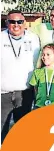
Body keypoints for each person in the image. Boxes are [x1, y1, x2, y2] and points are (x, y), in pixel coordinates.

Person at [1, 10, 41, 143]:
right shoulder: (1, 38)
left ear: (24, 23)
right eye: (12, 21)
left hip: (25, 92)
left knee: (23, 129)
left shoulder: (34, 39)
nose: (16, 25)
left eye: (19, 21)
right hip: (3, 93)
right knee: (2, 129)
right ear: (7, 23)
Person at [29, 44, 54, 109]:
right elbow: (35, 90)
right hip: (39, 106)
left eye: (48, 54)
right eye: (43, 54)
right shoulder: (37, 72)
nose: (44, 57)